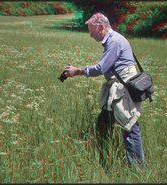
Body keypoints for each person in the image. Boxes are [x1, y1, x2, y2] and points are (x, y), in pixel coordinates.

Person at [64, 12, 145, 168]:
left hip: (124, 89)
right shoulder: (113, 40)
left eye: (91, 31)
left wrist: (77, 71)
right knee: (104, 122)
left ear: (100, 27)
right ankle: (104, 153)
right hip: (119, 88)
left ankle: (138, 169)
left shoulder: (114, 41)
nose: (90, 35)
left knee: (130, 126)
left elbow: (100, 68)